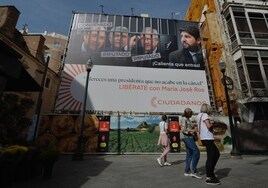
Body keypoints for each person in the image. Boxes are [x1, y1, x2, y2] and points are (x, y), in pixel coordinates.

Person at [196, 103, 221, 185]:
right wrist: (214, 124)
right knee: (211, 156)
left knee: (216, 154)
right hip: (208, 138)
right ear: (207, 109)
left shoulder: (199, 115)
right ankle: (209, 177)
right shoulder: (205, 115)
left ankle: (211, 173)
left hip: (204, 138)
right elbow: (208, 126)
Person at [180, 108, 202, 179]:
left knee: (189, 154)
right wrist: (193, 130)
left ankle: (187, 171)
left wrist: (193, 125)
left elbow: (187, 127)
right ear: (188, 113)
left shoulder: (187, 119)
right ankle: (194, 171)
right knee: (196, 152)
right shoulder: (184, 119)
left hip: (188, 137)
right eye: (191, 113)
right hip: (187, 137)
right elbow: (184, 129)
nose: (192, 114)